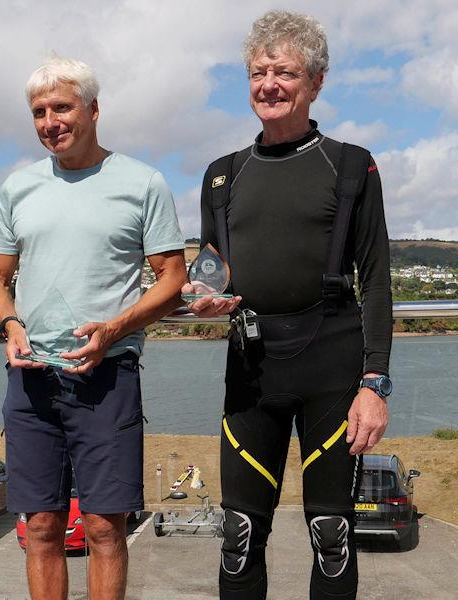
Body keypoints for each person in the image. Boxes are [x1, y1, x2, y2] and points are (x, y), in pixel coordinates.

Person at [192, 11, 393, 600]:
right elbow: (212, 276)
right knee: (238, 533)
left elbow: (377, 280)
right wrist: (203, 303)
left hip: (332, 363)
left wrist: (374, 383)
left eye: (284, 71)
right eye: (258, 71)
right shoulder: (221, 176)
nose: (268, 84)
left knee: (332, 536)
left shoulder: (352, 165)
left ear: (316, 82)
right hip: (252, 366)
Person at [0, 57, 197, 600]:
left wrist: (116, 327)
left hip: (109, 375)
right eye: (39, 112)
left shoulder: (142, 182)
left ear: (94, 110)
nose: (50, 121)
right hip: (31, 379)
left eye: (62, 107)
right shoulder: (17, 188)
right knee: (42, 528)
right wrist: (9, 322)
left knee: (104, 527)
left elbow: (172, 279)